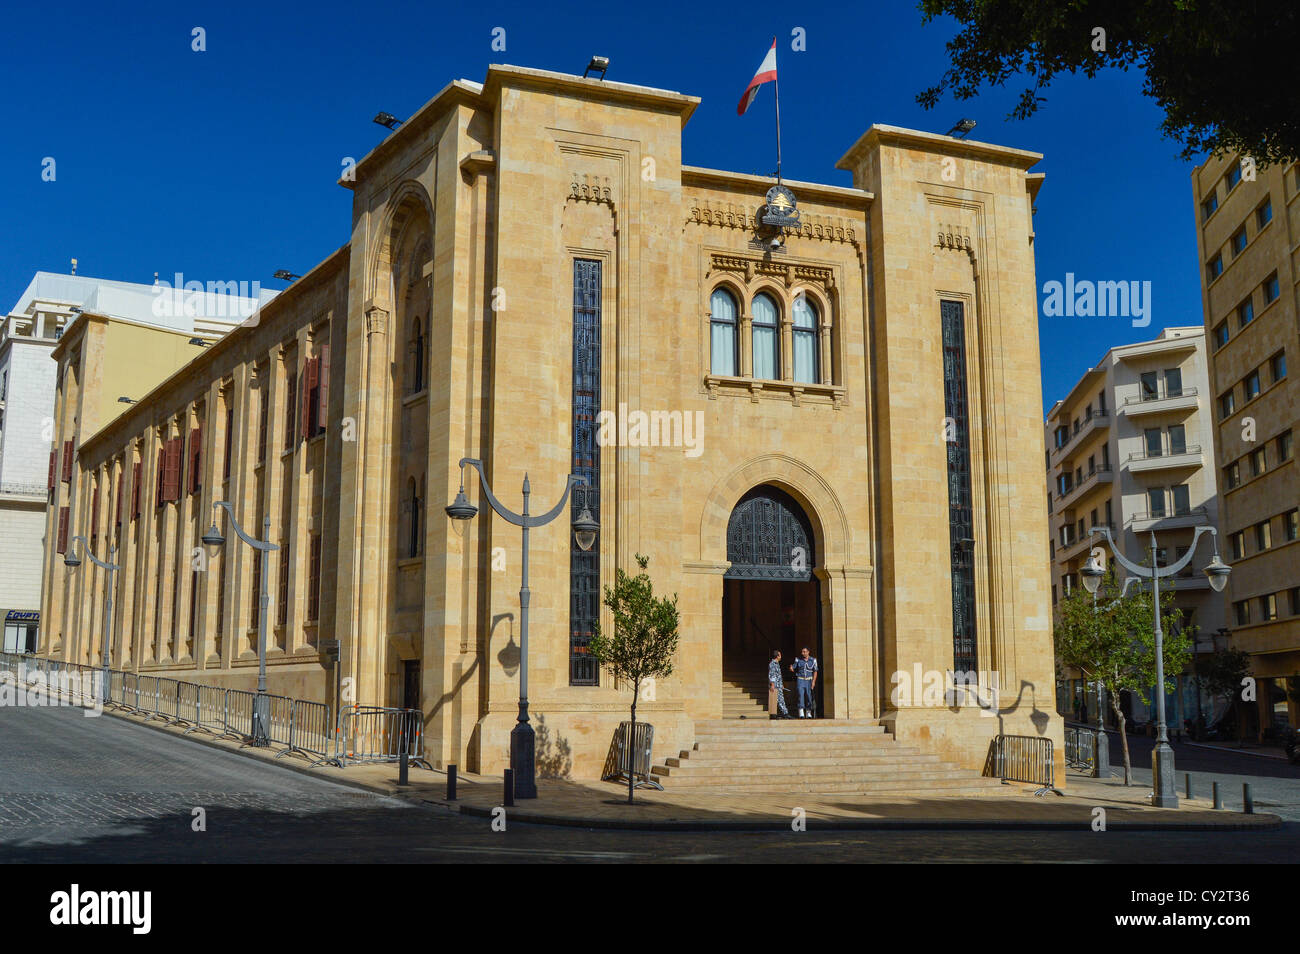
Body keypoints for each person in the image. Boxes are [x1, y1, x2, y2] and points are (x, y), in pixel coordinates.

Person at [790, 646, 818, 718]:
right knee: (801, 694)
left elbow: (815, 671)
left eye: (804, 652)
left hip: (809, 680)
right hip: (800, 679)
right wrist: (791, 668)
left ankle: (808, 712)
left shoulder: (813, 660)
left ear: (808, 652)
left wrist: (813, 682)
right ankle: (801, 712)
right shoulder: (798, 659)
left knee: (809, 695)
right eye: (802, 652)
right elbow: (793, 667)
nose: (803, 653)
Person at [768, 650, 789, 719]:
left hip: (778, 685)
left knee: (779, 700)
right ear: (777, 656)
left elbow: (778, 675)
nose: (781, 656)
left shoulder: (776, 663)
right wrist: (773, 685)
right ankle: (785, 713)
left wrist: (781, 684)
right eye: (780, 655)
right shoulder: (773, 664)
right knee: (779, 700)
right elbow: (772, 675)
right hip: (775, 685)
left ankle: (781, 713)